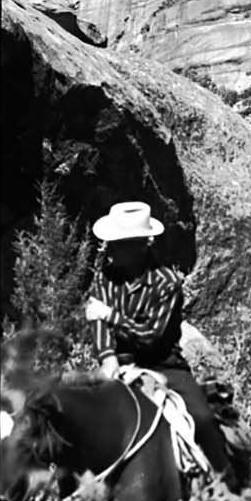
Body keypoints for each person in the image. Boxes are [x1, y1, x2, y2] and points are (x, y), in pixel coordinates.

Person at [86, 201, 231, 474]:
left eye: (118, 244)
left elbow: (152, 336)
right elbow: (97, 320)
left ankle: (228, 488)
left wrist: (111, 315)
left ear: (140, 246)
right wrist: (106, 357)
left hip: (163, 364)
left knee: (201, 419)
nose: (109, 250)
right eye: (111, 244)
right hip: (119, 363)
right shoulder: (104, 278)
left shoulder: (166, 283)